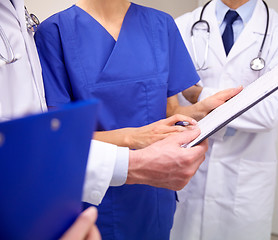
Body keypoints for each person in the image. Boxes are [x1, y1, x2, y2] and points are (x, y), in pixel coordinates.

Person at [0, 0, 222, 239]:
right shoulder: (55, 32)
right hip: (94, 197)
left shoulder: (161, 24)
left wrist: (202, 110)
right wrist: (137, 137)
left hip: (154, 194)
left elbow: (170, 111)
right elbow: (57, 138)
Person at [170, 0, 278, 240]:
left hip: (245, 177)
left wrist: (199, 95)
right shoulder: (182, 26)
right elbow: (171, 108)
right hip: (189, 169)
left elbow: (269, 113)